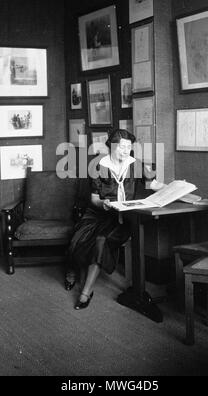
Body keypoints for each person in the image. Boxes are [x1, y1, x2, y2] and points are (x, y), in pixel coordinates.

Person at [65, 128, 153, 310]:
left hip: (122, 218)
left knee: (101, 240)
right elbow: (94, 199)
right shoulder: (98, 166)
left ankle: (85, 292)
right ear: (111, 147)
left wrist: (173, 188)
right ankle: (72, 268)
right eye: (121, 147)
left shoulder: (135, 164)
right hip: (98, 214)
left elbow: (152, 183)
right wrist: (103, 203)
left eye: (128, 147)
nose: (125, 151)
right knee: (78, 239)